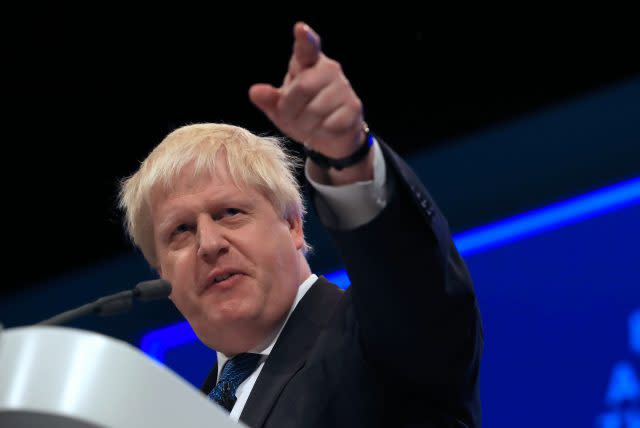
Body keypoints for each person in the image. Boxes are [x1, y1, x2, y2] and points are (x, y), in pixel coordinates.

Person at [118, 21, 482, 427]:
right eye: (180, 231)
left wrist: (348, 157)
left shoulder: (373, 340)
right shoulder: (193, 415)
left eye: (230, 213)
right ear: (162, 275)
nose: (208, 243)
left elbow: (413, 282)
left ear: (293, 225)